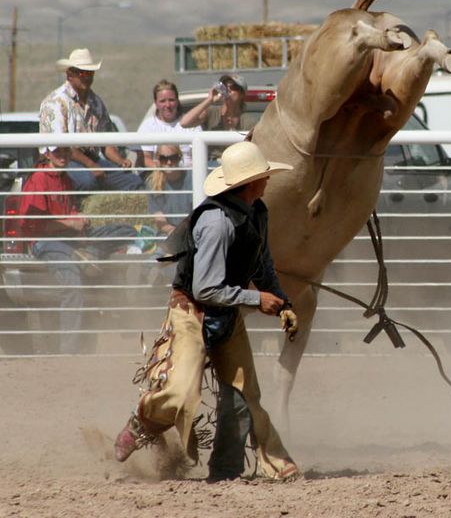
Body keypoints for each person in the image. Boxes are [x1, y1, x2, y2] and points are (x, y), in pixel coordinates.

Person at [114, 141, 299, 482]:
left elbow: (261, 264)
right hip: (193, 311)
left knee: (243, 396)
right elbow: (205, 288)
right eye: (264, 175)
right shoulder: (216, 223)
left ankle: (226, 470)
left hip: (226, 311)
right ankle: (142, 423)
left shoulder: (257, 213)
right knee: (181, 392)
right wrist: (258, 300)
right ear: (250, 182)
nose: (269, 180)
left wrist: (281, 300)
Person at [19, 146, 139, 353]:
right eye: (58, 152)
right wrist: (69, 224)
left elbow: (70, 210)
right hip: (46, 242)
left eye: (66, 152)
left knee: (125, 230)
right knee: (72, 283)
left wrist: (79, 221)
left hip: (70, 239)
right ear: (47, 154)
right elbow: (31, 225)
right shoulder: (39, 178)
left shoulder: (64, 178)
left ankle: (89, 253)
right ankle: (69, 351)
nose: (63, 156)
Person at [39, 48, 144, 192]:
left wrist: (120, 161)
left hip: (92, 159)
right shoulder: (55, 102)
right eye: (82, 72)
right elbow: (64, 147)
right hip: (63, 160)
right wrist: (92, 166)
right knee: (87, 182)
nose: (87, 77)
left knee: (132, 181)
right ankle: (78, 212)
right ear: (70, 74)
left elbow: (106, 142)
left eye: (90, 72)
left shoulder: (96, 102)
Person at [136, 80, 207, 171]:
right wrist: (164, 171)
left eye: (171, 100)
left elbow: (199, 156)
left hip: (189, 176)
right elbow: (145, 157)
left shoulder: (192, 124)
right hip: (159, 175)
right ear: (156, 103)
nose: (168, 105)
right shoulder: (148, 126)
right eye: (162, 101)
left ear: (177, 101)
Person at [148, 144, 193, 237]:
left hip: (192, 230)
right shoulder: (152, 184)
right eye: (163, 158)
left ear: (180, 158)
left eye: (173, 158)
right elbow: (160, 220)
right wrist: (173, 231)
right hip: (169, 233)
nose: (168, 162)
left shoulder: (193, 178)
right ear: (158, 159)